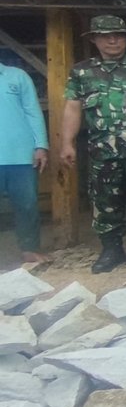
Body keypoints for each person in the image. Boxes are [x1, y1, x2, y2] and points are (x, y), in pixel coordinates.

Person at [60, 15, 126, 272]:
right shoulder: (82, 71)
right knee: (104, 202)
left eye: (118, 35)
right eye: (106, 36)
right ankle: (112, 250)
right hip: (103, 150)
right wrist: (67, 143)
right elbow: (73, 107)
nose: (113, 40)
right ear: (94, 39)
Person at [0, 62, 49, 264]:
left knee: (27, 204)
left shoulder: (17, 76)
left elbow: (33, 111)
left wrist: (41, 146)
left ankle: (29, 249)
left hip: (20, 153)